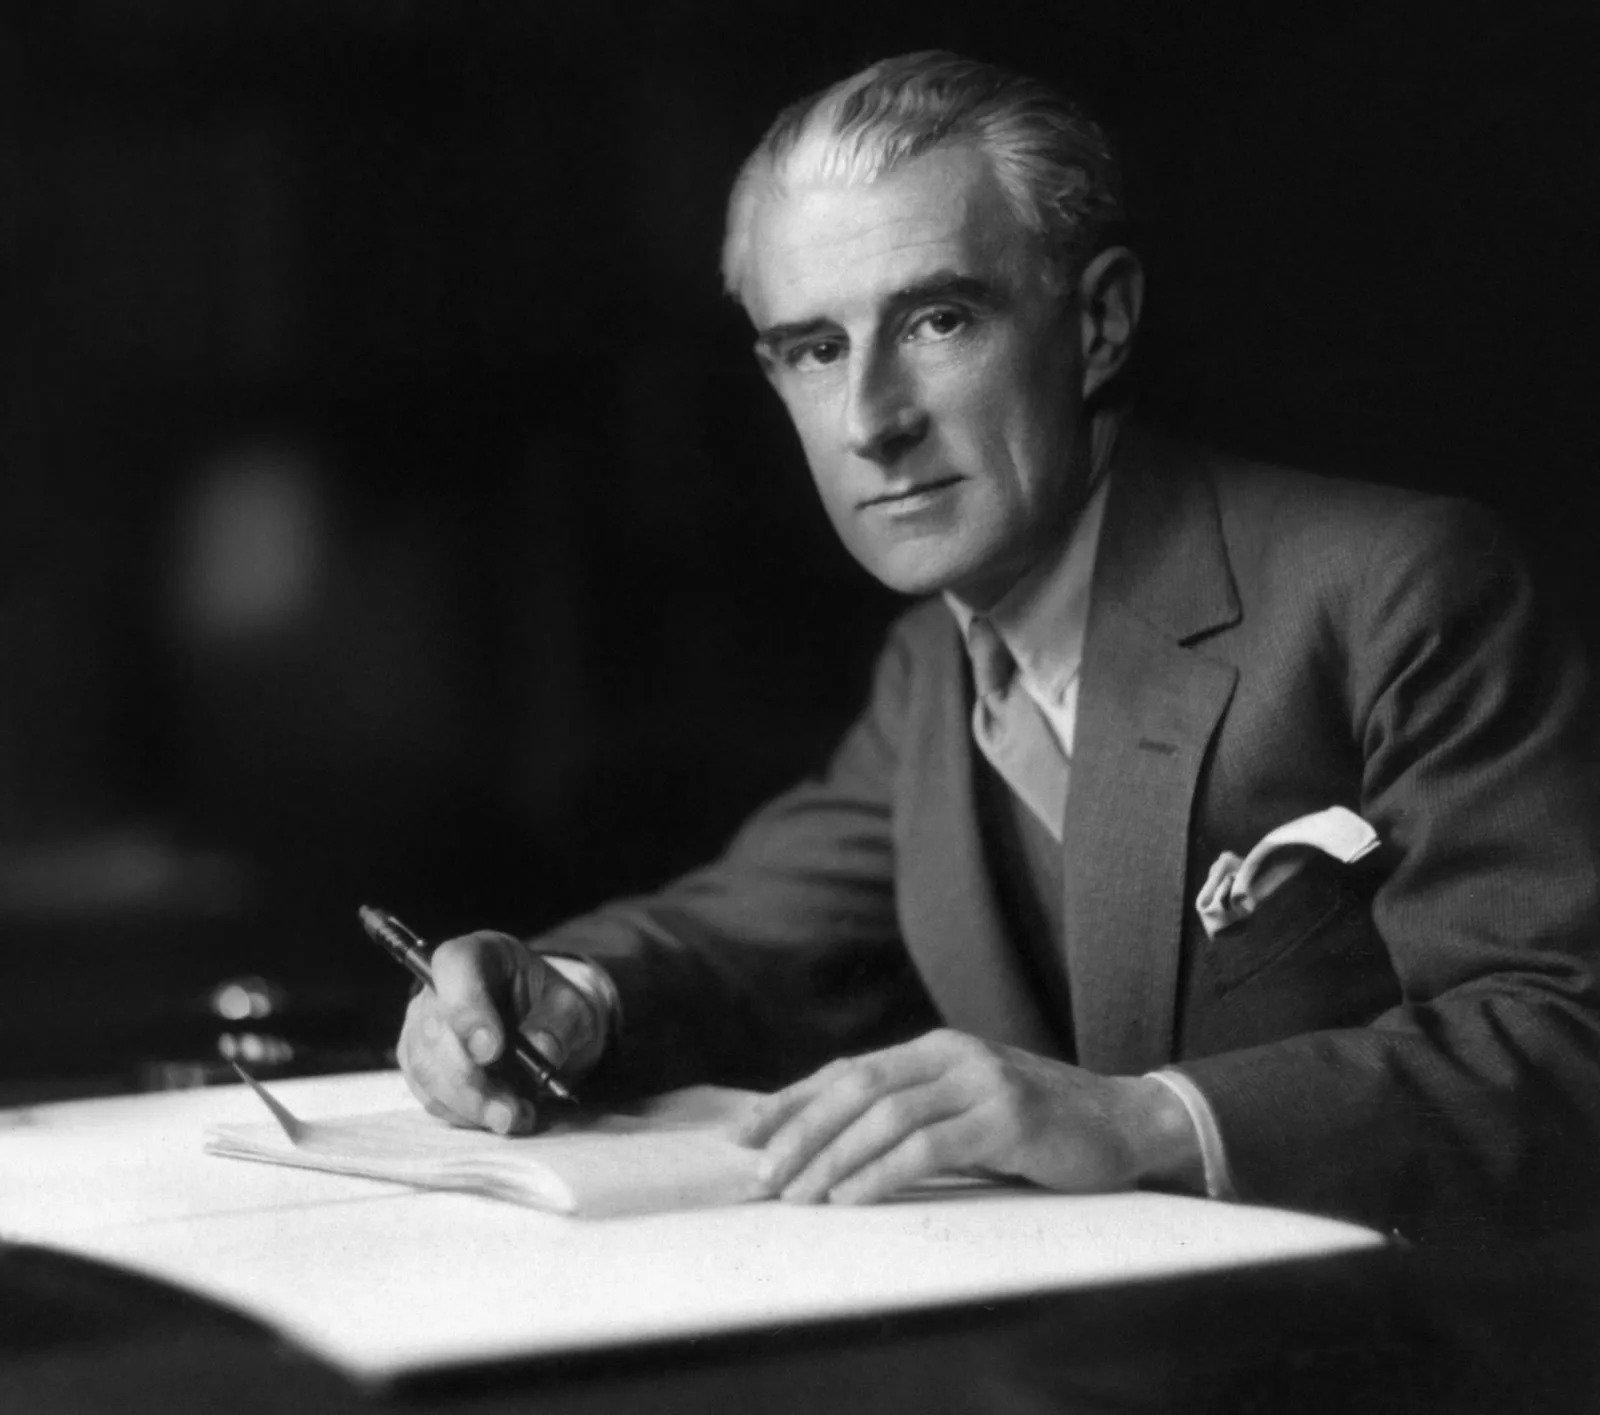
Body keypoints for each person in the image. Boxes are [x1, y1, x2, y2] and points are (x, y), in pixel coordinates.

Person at [397, 51, 1600, 1240]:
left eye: (937, 319)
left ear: (1099, 321)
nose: (872, 421)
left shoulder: (1396, 586)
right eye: (816, 349)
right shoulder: (932, 665)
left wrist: (1142, 1118)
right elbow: (745, 929)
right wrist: (568, 992)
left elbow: (1564, 1034)